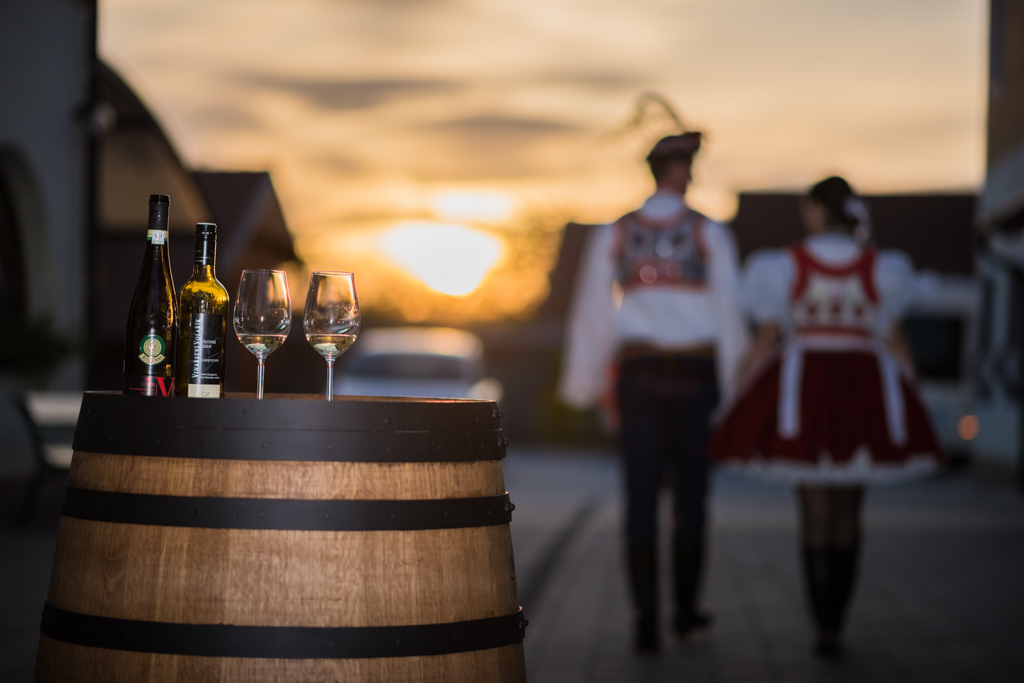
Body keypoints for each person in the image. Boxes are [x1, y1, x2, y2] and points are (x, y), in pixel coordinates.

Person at [707, 176, 942, 657]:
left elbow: (767, 335)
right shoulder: (880, 266)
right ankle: (837, 616)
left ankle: (824, 623)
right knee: (850, 506)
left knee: (813, 505)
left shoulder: (785, 264)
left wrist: (737, 385)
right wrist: (910, 391)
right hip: (863, 386)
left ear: (815, 211)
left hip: (806, 387)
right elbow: (893, 338)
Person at [559, 132, 748, 653]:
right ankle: (684, 613)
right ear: (684, 170)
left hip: (640, 372)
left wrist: (588, 383)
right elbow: (729, 316)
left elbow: (593, 313)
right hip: (696, 372)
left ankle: (647, 619)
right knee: (692, 495)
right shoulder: (710, 232)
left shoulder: (618, 232)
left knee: (639, 495)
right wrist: (735, 390)